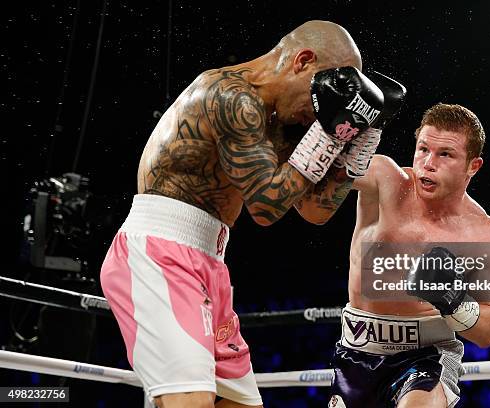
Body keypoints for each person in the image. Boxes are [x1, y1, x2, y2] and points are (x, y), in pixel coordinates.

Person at [99, 19, 398, 408]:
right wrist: (328, 133)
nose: (317, 116)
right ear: (302, 61)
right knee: (190, 402)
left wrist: (358, 141)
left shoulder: (284, 118)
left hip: (210, 263)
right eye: (319, 102)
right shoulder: (230, 96)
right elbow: (265, 206)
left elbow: (314, 210)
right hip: (159, 252)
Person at [328, 103, 490, 408]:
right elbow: (318, 179)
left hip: (427, 357)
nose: (428, 163)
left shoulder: (484, 233)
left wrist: (452, 299)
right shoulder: (385, 180)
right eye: (423, 149)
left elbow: (489, 330)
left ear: (472, 166)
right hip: (356, 351)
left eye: (445, 155)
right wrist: (335, 129)